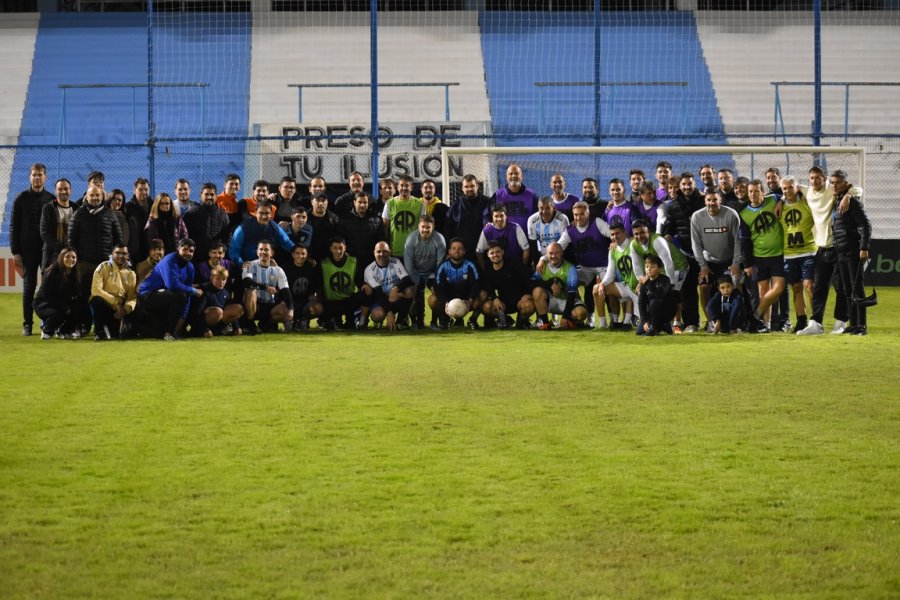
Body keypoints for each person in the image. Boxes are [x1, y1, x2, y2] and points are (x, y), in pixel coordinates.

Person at [796, 165, 861, 335]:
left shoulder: (831, 190)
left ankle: (840, 322)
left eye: (818, 177)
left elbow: (858, 188)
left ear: (824, 179)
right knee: (818, 288)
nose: (814, 181)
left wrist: (847, 195)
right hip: (821, 248)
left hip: (837, 248)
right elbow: (789, 188)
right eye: (811, 177)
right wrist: (781, 201)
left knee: (841, 287)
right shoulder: (807, 190)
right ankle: (816, 323)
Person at [67, 184, 125, 333]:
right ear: (86, 196)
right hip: (84, 264)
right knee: (83, 296)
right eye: (92, 195)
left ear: (102, 196)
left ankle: (104, 326)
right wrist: (76, 261)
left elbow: (118, 239)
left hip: (105, 264)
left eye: (97, 195)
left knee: (105, 297)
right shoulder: (78, 214)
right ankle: (83, 326)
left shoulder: (110, 214)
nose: (95, 198)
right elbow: (71, 240)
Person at [690, 190, 742, 332]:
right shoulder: (697, 217)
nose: (711, 203)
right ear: (705, 201)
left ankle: (736, 323)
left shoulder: (731, 215)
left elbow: (738, 241)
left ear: (721, 201)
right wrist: (703, 265)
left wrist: (736, 263)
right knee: (703, 287)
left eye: (715, 200)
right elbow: (696, 244)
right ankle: (712, 322)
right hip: (709, 262)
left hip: (729, 261)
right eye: (709, 200)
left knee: (735, 288)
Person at [11, 163, 54, 335]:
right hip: (27, 251)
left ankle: (46, 322)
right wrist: (16, 251)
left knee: (47, 287)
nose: (37, 177)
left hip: (46, 251)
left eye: (40, 174)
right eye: (34, 175)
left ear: (45, 177)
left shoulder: (51, 198)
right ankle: (27, 323)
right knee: (29, 287)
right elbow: (14, 226)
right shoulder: (20, 198)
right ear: (30, 177)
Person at [739, 180, 786, 333]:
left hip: (779, 254)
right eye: (750, 191)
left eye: (756, 191)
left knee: (778, 289)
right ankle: (766, 324)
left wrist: (782, 200)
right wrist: (747, 263)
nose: (753, 194)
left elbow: (791, 192)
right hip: (759, 257)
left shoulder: (773, 199)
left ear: (763, 191)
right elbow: (745, 241)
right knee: (763, 291)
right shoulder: (744, 214)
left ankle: (756, 315)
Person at [556, 201, 613, 324]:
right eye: (576, 215)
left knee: (608, 290)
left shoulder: (597, 222)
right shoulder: (570, 230)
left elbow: (612, 233)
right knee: (568, 283)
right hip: (585, 267)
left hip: (604, 265)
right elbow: (558, 247)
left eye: (582, 214)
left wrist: (614, 241)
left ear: (588, 213)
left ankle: (613, 319)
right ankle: (579, 312)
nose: (578, 217)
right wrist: (543, 259)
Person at [830, 170, 871, 335]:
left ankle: (862, 326)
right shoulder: (837, 200)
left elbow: (866, 225)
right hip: (840, 251)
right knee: (847, 290)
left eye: (838, 182)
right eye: (832, 182)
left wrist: (864, 247)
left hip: (853, 251)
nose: (834, 185)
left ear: (846, 184)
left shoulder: (852, 202)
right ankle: (853, 324)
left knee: (857, 289)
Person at [662, 171, 705, 332]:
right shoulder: (672, 206)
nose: (687, 187)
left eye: (690, 183)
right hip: (686, 253)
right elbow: (669, 227)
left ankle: (715, 321)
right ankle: (691, 323)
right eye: (684, 184)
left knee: (711, 287)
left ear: (695, 184)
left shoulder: (703, 201)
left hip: (706, 254)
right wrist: (667, 236)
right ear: (680, 187)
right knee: (688, 291)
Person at [136, 238, 202, 340]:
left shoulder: (190, 267)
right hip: (146, 295)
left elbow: (187, 294)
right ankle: (169, 333)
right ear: (178, 249)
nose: (188, 253)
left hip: (164, 297)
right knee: (180, 294)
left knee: (159, 333)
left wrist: (182, 318)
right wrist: (193, 290)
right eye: (185, 249)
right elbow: (172, 285)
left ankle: (137, 327)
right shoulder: (169, 260)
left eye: (191, 251)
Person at [779, 175, 816, 333]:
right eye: (784, 188)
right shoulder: (779, 207)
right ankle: (801, 320)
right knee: (796, 287)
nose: (787, 191)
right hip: (789, 254)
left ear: (797, 187)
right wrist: (781, 200)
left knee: (810, 286)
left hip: (808, 251)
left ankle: (816, 320)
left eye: (790, 187)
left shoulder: (807, 202)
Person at [477, 241, 535, 329]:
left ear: (502, 252)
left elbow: (528, 279)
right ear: (488, 255)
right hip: (503, 302)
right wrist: (495, 299)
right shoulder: (487, 268)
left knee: (528, 306)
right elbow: (488, 287)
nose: (495, 255)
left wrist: (528, 294)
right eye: (492, 253)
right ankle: (505, 319)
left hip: (520, 300)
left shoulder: (514, 264)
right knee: (487, 307)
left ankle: (521, 321)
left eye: (497, 252)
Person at [594, 222, 640, 331]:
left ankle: (630, 320)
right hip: (626, 286)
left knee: (643, 327)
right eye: (612, 234)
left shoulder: (634, 244)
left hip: (640, 287)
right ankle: (603, 325)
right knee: (596, 288)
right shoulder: (613, 250)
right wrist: (602, 284)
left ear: (625, 233)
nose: (615, 237)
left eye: (617, 233)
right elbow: (610, 272)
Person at [531, 242, 588, 330]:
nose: (553, 256)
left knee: (580, 313)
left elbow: (571, 294)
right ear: (546, 254)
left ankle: (571, 321)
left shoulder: (570, 268)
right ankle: (545, 323)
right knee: (537, 291)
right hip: (551, 302)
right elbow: (532, 283)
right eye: (551, 253)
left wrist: (565, 317)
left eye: (557, 253)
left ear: (562, 253)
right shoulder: (542, 266)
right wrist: (549, 285)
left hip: (568, 300)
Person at [241, 240, 294, 334]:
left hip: (270, 305)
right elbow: (247, 282)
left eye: (266, 250)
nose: (263, 252)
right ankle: (250, 323)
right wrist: (265, 287)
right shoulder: (249, 265)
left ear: (272, 252)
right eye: (261, 249)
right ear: (257, 252)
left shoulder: (278, 270)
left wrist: (291, 309)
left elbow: (285, 290)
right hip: (254, 305)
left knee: (285, 310)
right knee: (251, 291)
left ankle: (266, 323)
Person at [361, 241, 415, 331]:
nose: (382, 254)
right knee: (377, 315)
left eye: (385, 251)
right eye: (379, 251)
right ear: (374, 253)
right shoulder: (369, 270)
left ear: (389, 252)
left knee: (410, 290)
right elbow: (378, 293)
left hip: (394, 297)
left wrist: (395, 289)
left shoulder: (395, 262)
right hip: (380, 299)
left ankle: (400, 321)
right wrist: (389, 312)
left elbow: (407, 280)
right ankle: (373, 321)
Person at [404, 214, 446, 330]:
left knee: (438, 294)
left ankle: (434, 322)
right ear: (418, 226)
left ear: (433, 227)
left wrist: (435, 282)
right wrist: (418, 282)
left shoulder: (439, 239)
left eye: (428, 227)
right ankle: (417, 322)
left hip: (432, 273)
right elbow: (408, 266)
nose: (425, 230)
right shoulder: (411, 239)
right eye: (423, 227)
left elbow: (440, 265)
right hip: (415, 272)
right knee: (415, 294)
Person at [89, 244, 138, 340]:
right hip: (105, 305)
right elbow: (95, 290)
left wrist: (125, 309)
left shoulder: (131, 274)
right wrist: (115, 302)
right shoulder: (103, 266)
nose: (121, 256)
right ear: (112, 254)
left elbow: (132, 298)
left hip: (118, 311)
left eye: (124, 253)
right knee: (97, 300)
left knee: (116, 335)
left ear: (128, 255)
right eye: (117, 253)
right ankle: (99, 331)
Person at [32, 247, 82, 340]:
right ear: (61, 257)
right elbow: (46, 295)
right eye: (67, 257)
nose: (71, 259)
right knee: (59, 313)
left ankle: (64, 331)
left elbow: (76, 293)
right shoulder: (51, 272)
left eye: (73, 257)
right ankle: (47, 331)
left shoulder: (76, 274)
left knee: (78, 308)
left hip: (61, 303)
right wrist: (63, 307)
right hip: (44, 304)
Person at [228, 202, 295, 267]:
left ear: (271, 214)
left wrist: (298, 252)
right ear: (255, 213)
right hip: (248, 264)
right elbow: (234, 249)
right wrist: (241, 263)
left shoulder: (275, 227)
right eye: (261, 213)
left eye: (267, 213)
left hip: (268, 263)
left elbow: (287, 242)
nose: (264, 216)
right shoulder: (243, 228)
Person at [433, 237, 480, 329]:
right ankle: (446, 320)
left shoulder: (470, 265)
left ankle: (472, 320)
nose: (457, 251)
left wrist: (470, 300)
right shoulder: (443, 267)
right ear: (449, 251)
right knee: (432, 299)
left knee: (482, 295)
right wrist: (446, 302)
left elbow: (476, 284)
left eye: (460, 249)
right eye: (454, 248)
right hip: (449, 297)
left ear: (464, 251)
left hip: (467, 298)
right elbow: (438, 287)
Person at [319, 236, 364, 330]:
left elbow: (359, 280)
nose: (338, 251)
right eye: (335, 248)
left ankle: (355, 320)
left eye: (340, 248)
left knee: (365, 294)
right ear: (330, 249)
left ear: (345, 248)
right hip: (331, 303)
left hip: (349, 300)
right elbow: (318, 285)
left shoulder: (354, 261)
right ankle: (331, 319)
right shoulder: (323, 264)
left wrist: (364, 285)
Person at [181, 182, 230, 263]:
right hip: (196, 258)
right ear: (201, 195)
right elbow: (185, 236)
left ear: (216, 196)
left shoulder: (223, 215)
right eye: (206, 194)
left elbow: (227, 238)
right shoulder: (191, 214)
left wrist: (221, 253)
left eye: (212, 194)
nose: (209, 197)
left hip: (215, 258)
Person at [190, 264, 244, 337]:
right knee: (218, 311)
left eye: (223, 279)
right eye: (218, 279)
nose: (221, 282)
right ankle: (202, 332)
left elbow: (229, 310)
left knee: (238, 308)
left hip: (218, 321)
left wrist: (237, 327)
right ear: (212, 278)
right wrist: (205, 329)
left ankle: (220, 330)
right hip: (201, 323)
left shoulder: (225, 292)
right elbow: (197, 312)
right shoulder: (204, 289)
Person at [445, 173, 489, 259]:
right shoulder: (455, 206)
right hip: (462, 252)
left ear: (477, 186)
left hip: (484, 251)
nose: (469, 189)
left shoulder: (487, 202)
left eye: (472, 186)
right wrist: (449, 250)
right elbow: (447, 229)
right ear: (462, 188)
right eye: (466, 186)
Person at [282, 244, 323, 332]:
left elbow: (314, 286)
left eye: (303, 254)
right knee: (277, 312)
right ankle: (288, 321)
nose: (300, 256)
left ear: (307, 255)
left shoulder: (311, 268)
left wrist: (313, 296)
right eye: (297, 253)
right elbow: (282, 289)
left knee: (318, 307)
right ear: (293, 254)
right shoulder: (285, 268)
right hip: (289, 302)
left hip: (304, 303)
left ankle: (303, 321)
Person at [382, 175, 425, 259]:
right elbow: (385, 227)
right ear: (397, 187)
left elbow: (423, 228)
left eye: (407, 185)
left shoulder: (420, 204)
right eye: (401, 185)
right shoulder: (390, 203)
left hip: (414, 251)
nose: (404, 188)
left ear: (411, 187)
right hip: (395, 251)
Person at [476, 204, 530, 269]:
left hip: (514, 267)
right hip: (495, 268)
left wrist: (523, 266)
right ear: (492, 217)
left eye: (501, 215)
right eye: (496, 216)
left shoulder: (516, 228)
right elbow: (479, 252)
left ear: (506, 216)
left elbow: (526, 249)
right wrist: (484, 268)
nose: (499, 219)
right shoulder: (486, 231)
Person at [489, 164, 539, 233]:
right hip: (505, 238)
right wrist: (487, 223)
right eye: (510, 174)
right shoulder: (498, 195)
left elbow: (538, 217)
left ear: (521, 176)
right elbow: (487, 213)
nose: (514, 176)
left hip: (527, 238)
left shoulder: (532, 196)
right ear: (506, 177)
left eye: (516, 173)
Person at [338, 192, 384, 264]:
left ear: (368, 203)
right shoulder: (345, 220)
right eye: (360, 202)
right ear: (354, 202)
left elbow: (381, 239)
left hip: (371, 260)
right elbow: (341, 239)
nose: (362, 205)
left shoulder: (377, 219)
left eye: (365, 202)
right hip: (351, 260)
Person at [39, 178, 75, 270]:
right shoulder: (48, 208)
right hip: (52, 253)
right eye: (60, 189)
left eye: (66, 189)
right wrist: (61, 248)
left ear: (71, 190)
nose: (63, 191)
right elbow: (44, 232)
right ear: (55, 191)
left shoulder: (76, 208)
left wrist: (70, 250)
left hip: (71, 254)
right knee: (49, 282)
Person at [636, 255, 677, 336]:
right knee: (639, 331)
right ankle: (664, 327)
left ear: (659, 268)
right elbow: (641, 304)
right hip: (652, 313)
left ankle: (655, 329)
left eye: (652, 267)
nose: (649, 269)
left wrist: (650, 284)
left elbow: (660, 294)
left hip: (666, 311)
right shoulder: (644, 284)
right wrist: (644, 321)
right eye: (647, 267)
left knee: (655, 301)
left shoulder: (665, 279)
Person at [307, 192, 341, 262]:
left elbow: (338, 238)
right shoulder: (304, 218)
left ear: (327, 203)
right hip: (308, 257)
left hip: (328, 258)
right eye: (317, 200)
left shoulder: (334, 219)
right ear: (312, 202)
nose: (320, 203)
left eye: (323, 201)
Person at [125, 177, 153, 263]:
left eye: (146, 189)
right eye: (140, 189)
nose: (144, 192)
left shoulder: (154, 205)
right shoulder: (128, 207)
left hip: (150, 247)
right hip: (134, 249)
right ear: (134, 190)